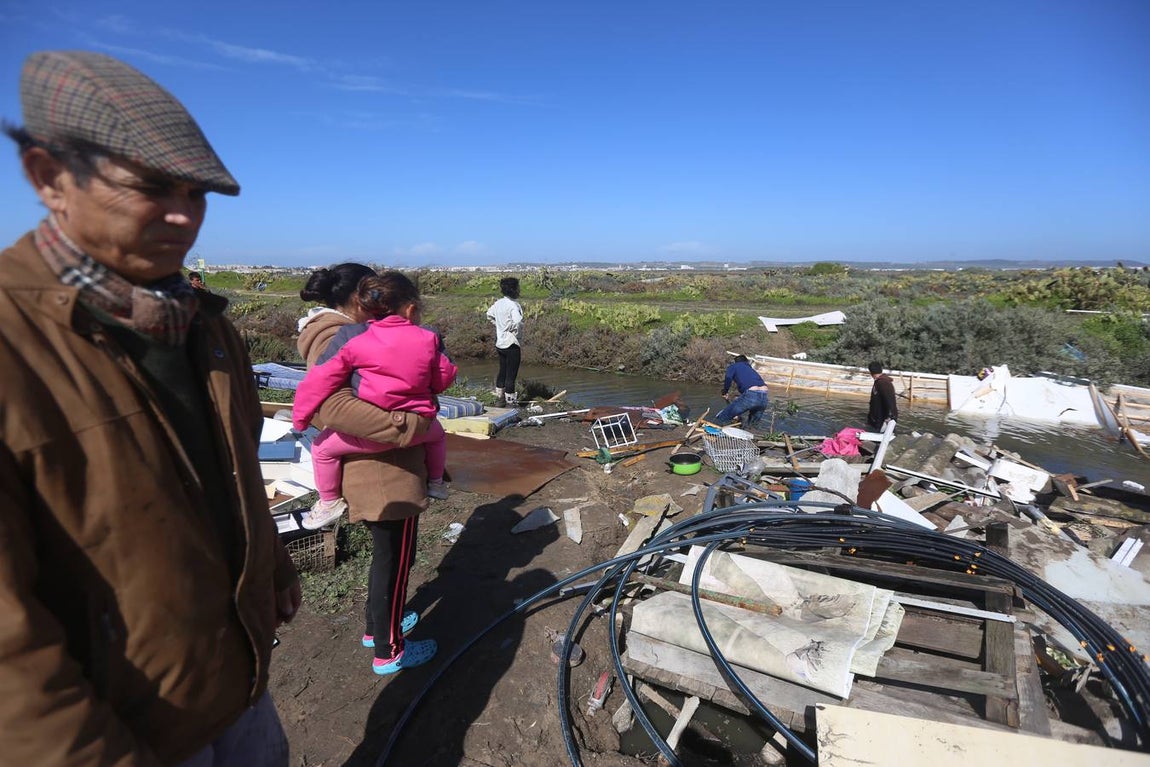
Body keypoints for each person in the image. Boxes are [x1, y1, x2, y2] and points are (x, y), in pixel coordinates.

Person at [0, 51, 299, 766]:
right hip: (114, 725)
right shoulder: (14, 346)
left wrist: (270, 562)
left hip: (233, 684)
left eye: (197, 193)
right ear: (48, 177)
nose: (184, 216)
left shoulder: (206, 329)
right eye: (152, 187)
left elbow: (232, 475)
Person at [297, 265, 438, 675]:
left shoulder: (344, 332)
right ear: (356, 299)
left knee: (390, 558)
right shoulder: (340, 335)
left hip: (380, 467)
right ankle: (388, 649)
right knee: (393, 561)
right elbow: (334, 408)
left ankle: (377, 626)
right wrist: (411, 426)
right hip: (385, 473)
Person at [293, 271, 458, 524]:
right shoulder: (428, 337)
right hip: (420, 429)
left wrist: (301, 419)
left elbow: (319, 381)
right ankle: (436, 482)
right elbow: (444, 377)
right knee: (438, 436)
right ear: (411, 309)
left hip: (368, 437)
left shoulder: (353, 337)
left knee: (322, 449)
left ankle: (328, 502)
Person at [486, 276, 524, 405]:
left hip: (500, 342)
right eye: (518, 287)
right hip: (512, 343)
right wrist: (513, 330)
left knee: (502, 371)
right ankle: (510, 403)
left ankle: (499, 399)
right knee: (511, 375)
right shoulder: (514, 305)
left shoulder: (498, 303)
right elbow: (518, 321)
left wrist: (498, 325)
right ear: (514, 289)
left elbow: (489, 314)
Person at [714, 354, 771, 429]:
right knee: (753, 424)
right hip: (764, 397)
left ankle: (714, 429)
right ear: (746, 362)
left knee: (723, 416)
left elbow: (728, 378)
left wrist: (725, 391)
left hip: (752, 394)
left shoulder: (734, 366)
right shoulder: (750, 369)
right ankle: (751, 432)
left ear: (735, 362)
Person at [866, 361, 899, 429]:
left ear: (871, 373)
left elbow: (890, 401)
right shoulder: (879, 382)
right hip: (877, 418)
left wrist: (890, 417)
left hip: (882, 420)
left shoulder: (883, 383)